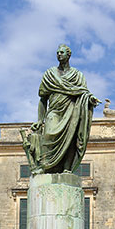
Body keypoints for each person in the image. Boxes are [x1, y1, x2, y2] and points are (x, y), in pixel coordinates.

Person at [20, 44, 100, 175]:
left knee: (71, 139)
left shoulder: (77, 75)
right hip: (54, 111)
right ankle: (46, 166)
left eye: (62, 52)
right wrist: (40, 120)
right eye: (57, 52)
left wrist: (90, 99)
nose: (59, 54)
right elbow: (43, 99)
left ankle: (66, 168)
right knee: (48, 136)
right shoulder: (50, 74)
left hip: (71, 110)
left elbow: (83, 93)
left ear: (69, 55)